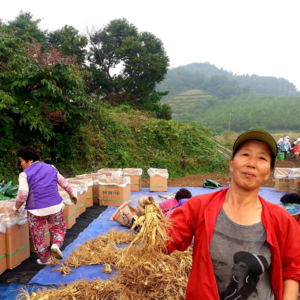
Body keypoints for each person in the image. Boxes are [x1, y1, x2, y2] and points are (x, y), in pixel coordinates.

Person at [137, 130, 300, 299]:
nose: (252, 163)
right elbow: (165, 242)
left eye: (262, 158)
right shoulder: (199, 207)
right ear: (231, 164)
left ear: (268, 173)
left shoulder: (282, 220)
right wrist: (150, 220)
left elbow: (293, 270)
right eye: (245, 154)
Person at [12, 146, 77, 265]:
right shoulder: (51, 168)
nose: (20, 164)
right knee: (58, 228)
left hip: (36, 210)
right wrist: (72, 194)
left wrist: (16, 207)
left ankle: (44, 259)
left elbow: (22, 195)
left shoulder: (24, 174)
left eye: (21, 161)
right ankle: (56, 245)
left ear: (30, 160)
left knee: (38, 235)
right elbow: (63, 182)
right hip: (55, 206)